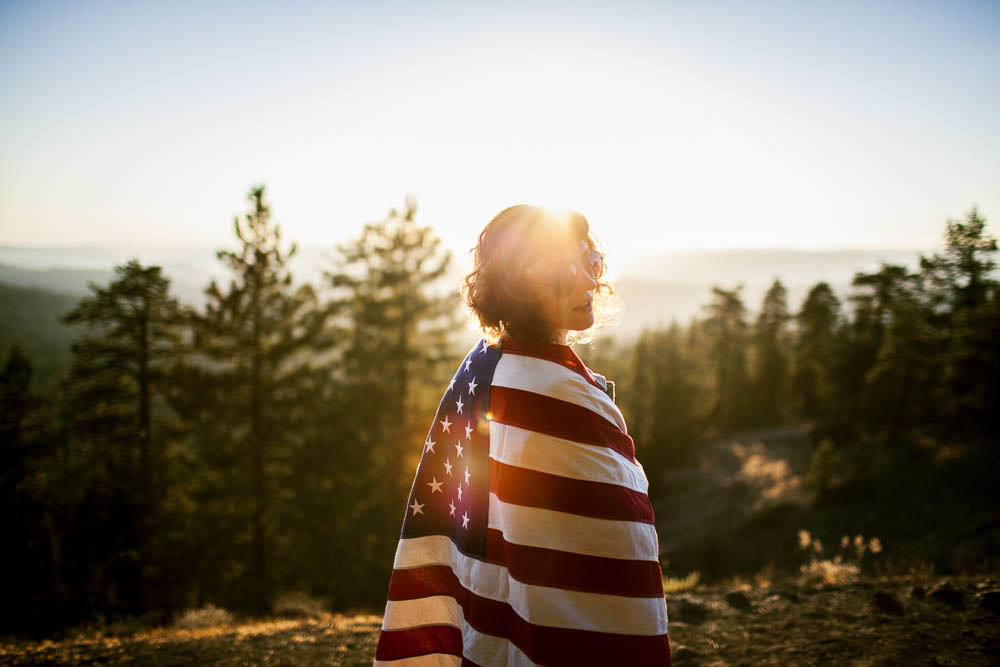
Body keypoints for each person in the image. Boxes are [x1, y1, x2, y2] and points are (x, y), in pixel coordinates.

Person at [373, 205, 671, 666]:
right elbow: (606, 571)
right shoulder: (547, 393)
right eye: (560, 276)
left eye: (591, 262)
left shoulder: (487, 362)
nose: (588, 284)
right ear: (515, 290)